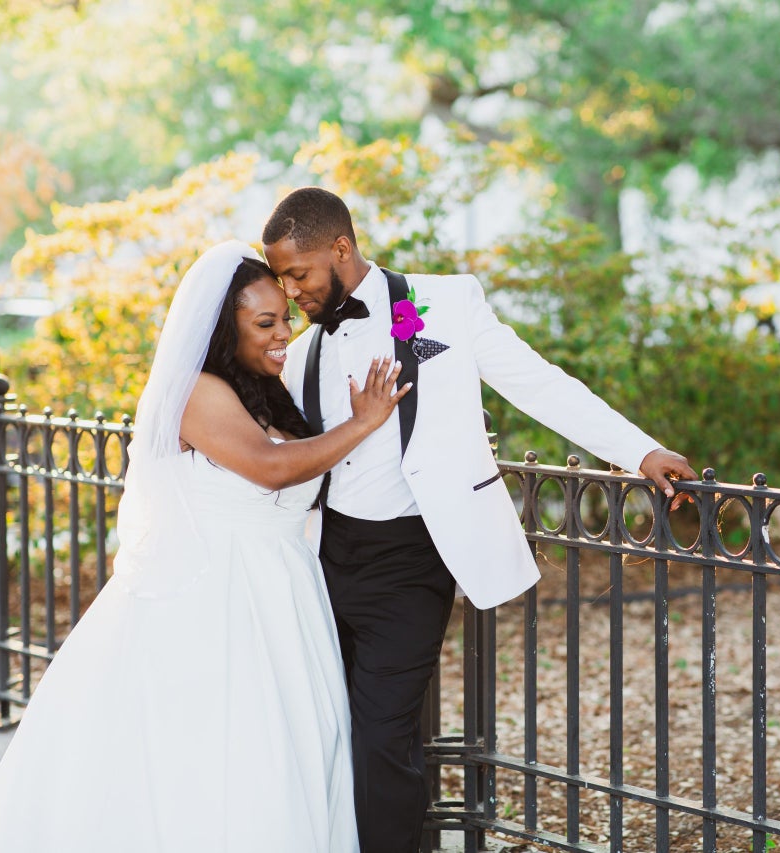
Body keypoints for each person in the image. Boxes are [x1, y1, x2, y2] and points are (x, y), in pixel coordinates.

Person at [263, 188, 697, 853]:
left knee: (382, 737)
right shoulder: (302, 350)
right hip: (322, 558)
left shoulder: (445, 303)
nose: (289, 289)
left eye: (298, 272)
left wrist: (639, 450)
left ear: (340, 249)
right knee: (331, 731)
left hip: (411, 558)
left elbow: (537, 381)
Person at [0, 241, 410, 853]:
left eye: (285, 317)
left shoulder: (269, 394)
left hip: (284, 604)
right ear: (225, 331)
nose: (284, 333)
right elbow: (271, 470)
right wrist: (363, 423)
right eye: (265, 323)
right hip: (215, 609)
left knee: (289, 761)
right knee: (222, 768)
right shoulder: (196, 392)